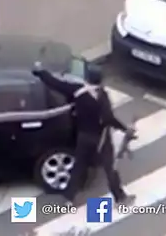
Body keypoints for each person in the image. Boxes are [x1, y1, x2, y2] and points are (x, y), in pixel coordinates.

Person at [31, 61, 136, 207]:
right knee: (110, 168)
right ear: (101, 80)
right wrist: (125, 129)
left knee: (79, 166)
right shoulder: (102, 96)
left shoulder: (76, 90)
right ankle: (120, 198)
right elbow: (108, 119)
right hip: (101, 138)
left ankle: (69, 198)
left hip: (83, 136)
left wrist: (40, 72)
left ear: (87, 78)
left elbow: (54, 83)